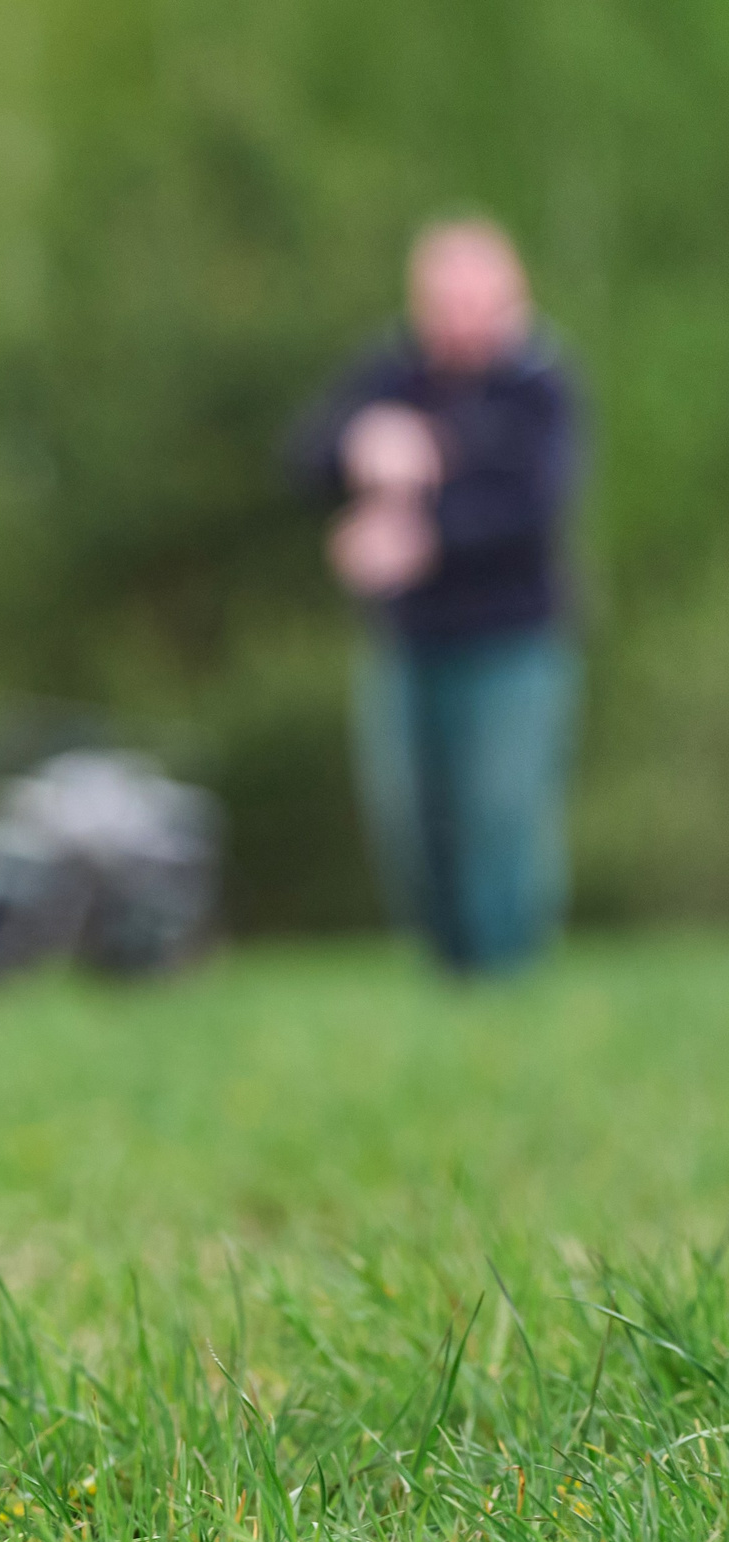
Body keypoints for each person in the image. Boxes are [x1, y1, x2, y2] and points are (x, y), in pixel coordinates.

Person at [289, 218, 581, 975]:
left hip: (514, 640)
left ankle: (508, 979)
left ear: (509, 295)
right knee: (413, 824)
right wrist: (357, 446)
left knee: (501, 816)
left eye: (471, 298)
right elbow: (302, 459)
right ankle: (449, 979)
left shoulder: (539, 384)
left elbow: (533, 506)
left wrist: (427, 533)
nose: (455, 316)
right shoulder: (394, 373)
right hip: (411, 638)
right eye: (440, 299)